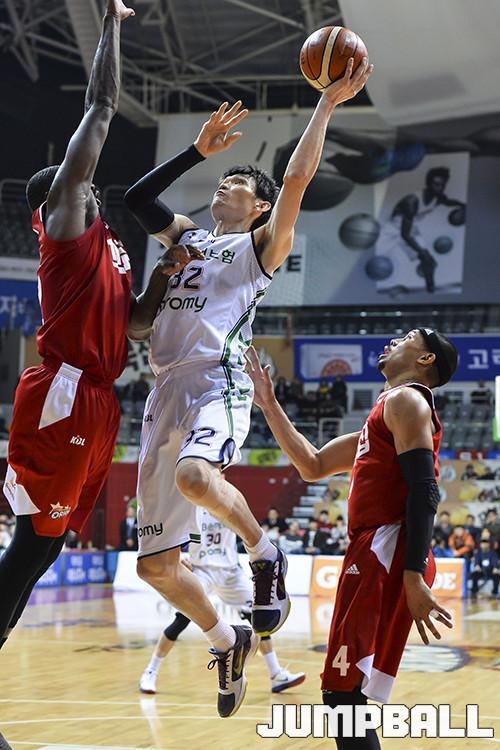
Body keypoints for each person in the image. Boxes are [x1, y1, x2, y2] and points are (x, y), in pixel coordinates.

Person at [123, 57, 372, 719]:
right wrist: (194, 152)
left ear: (259, 207)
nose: (223, 186)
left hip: (218, 380)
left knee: (196, 478)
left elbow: (296, 178)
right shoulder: (188, 238)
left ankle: (266, 553)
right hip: (162, 393)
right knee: (155, 568)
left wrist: (326, 104)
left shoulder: (260, 248)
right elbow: (136, 200)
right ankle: (225, 639)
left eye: (235, 182)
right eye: (221, 180)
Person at [0, 0, 154, 663]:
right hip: (63, 391)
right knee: (33, 540)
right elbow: (101, 107)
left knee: (49, 546)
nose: (93, 188)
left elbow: (136, 324)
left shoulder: (110, 249)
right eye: (81, 183)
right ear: (59, 194)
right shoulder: (63, 226)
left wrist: (172, 275)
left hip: (98, 396)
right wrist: (112, 25)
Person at [246, 326, 457, 749]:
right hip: (377, 549)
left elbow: (425, 490)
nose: (392, 341)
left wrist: (413, 575)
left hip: (388, 549)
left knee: (343, 695)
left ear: (426, 359)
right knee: (346, 696)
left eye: (406, 338)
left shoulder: (407, 400)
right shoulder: (382, 414)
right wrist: (268, 404)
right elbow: (312, 464)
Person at [139, 508, 305, 695]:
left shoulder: (226, 502)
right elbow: (173, 534)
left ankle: (276, 675)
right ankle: (150, 671)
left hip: (231, 572)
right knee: (181, 620)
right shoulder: (191, 507)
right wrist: (178, 559)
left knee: (259, 618)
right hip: (202, 570)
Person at [377, 167, 465, 293]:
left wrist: (463, 205)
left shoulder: (439, 197)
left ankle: (431, 288)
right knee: (374, 255)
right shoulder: (412, 201)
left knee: (429, 261)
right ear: (428, 184)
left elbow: (448, 202)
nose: (440, 188)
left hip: (410, 229)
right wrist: (420, 251)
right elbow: (404, 234)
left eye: (442, 185)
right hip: (392, 230)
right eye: (436, 184)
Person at [470, 533, 499, 598]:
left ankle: (494, 593)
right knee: (475, 574)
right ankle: (474, 591)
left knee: (496, 576)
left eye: (486, 543)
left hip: (490, 571)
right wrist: (477, 566)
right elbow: (476, 563)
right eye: (483, 543)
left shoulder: (493, 553)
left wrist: (495, 568)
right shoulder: (478, 553)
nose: (484, 544)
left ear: (489, 544)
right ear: (480, 545)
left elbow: (495, 564)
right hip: (481, 571)